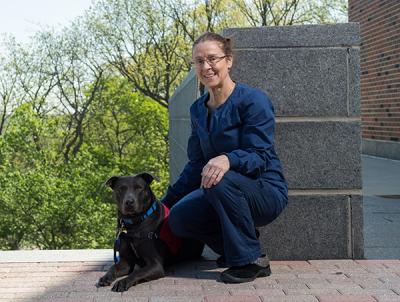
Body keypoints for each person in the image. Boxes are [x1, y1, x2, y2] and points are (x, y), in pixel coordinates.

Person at [160, 32, 288, 283]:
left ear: (228, 61)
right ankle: (237, 248)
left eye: (212, 59)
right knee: (180, 217)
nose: (206, 67)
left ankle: (251, 261)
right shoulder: (197, 109)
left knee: (219, 177)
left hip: (264, 191)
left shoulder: (253, 100)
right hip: (219, 188)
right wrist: (164, 204)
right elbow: (196, 164)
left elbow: (260, 155)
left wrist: (228, 159)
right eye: (198, 61)